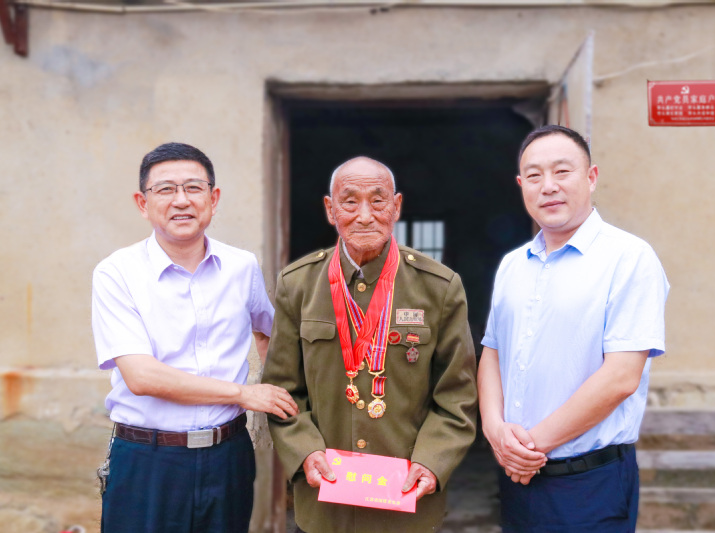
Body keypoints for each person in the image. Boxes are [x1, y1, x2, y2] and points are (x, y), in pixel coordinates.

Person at [262, 156, 477, 532]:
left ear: (396, 206)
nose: (365, 216)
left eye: (378, 201)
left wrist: (432, 460)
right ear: (330, 209)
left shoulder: (439, 288)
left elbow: (457, 395)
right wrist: (305, 450)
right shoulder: (298, 285)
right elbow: (283, 390)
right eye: (350, 201)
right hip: (326, 502)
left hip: (406, 500)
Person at [91, 142, 298, 532]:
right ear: (142, 203)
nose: (181, 200)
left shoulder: (242, 266)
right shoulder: (116, 273)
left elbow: (270, 333)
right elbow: (141, 376)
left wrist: (275, 388)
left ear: (213, 199)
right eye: (166, 189)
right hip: (149, 459)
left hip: (228, 457)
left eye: (193, 188)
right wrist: (243, 393)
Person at [478, 125, 669, 532]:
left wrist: (529, 447)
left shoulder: (629, 258)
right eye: (534, 175)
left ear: (591, 177)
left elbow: (621, 377)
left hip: (590, 483)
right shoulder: (513, 265)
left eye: (562, 172)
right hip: (517, 477)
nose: (548, 186)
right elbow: (492, 352)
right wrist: (495, 432)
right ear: (521, 185)